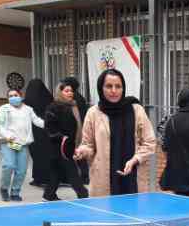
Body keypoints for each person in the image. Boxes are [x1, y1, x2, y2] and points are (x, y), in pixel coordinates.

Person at [73, 69, 156, 197]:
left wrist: (135, 159)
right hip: (103, 180)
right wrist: (82, 151)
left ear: (123, 88)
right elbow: (88, 144)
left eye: (118, 86)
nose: (113, 90)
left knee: (133, 208)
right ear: (101, 88)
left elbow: (149, 142)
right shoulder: (93, 113)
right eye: (109, 86)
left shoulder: (136, 110)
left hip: (133, 179)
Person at [0, 88, 45, 201]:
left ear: (21, 96)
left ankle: (15, 192)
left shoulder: (28, 109)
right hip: (9, 142)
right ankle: (4, 188)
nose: (13, 97)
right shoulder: (4, 109)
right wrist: (7, 135)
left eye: (15, 95)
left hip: (23, 144)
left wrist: (50, 124)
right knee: (9, 165)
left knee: (21, 170)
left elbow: (37, 121)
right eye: (10, 96)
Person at [43, 82, 89, 201]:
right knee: (72, 171)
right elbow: (49, 127)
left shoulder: (72, 106)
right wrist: (62, 137)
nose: (70, 93)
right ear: (60, 92)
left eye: (71, 91)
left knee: (56, 171)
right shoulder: (53, 107)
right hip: (59, 146)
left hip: (68, 144)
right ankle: (83, 194)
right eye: (66, 91)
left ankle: (49, 194)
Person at [23, 79, 54, 187]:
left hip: (33, 131)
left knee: (36, 156)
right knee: (47, 154)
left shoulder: (27, 101)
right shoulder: (48, 98)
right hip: (47, 130)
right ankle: (49, 178)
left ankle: (38, 178)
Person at [60, 76, 90, 184]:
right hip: (81, 129)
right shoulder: (80, 97)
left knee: (71, 153)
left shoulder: (70, 99)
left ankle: (74, 177)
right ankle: (85, 176)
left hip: (74, 130)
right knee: (79, 153)